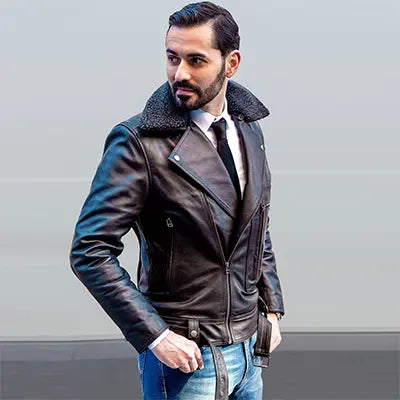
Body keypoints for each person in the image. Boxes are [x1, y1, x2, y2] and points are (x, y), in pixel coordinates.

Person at [69, 2, 285, 399]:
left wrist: (271, 307)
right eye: (172, 58)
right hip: (187, 359)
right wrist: (156, 336)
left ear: (231, 64)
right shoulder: (138, 142)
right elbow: (90, 249)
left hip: (249, 350)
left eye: (196, 60)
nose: (180, 73)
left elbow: (256, 227)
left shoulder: (249, 129)